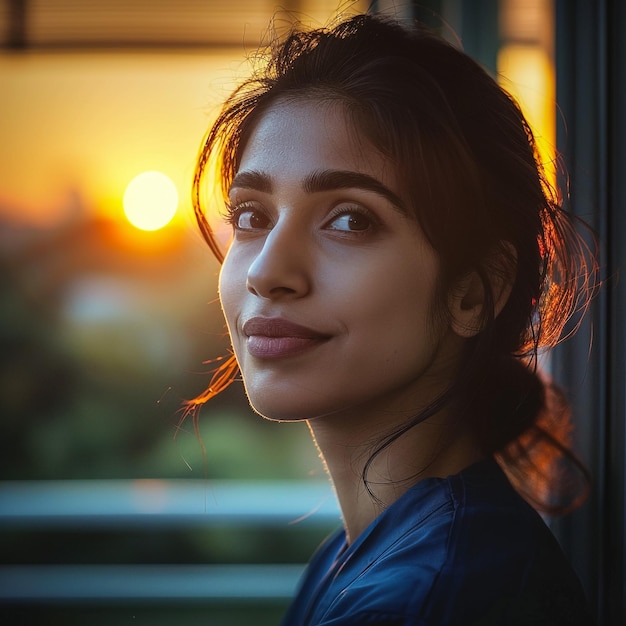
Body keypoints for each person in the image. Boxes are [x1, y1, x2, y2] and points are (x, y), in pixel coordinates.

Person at [186, 12, 598, 625]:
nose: (266, 271)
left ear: (472, 294)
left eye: (350, 219)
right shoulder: (363, 556)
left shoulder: (435, 594)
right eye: (251, 215)